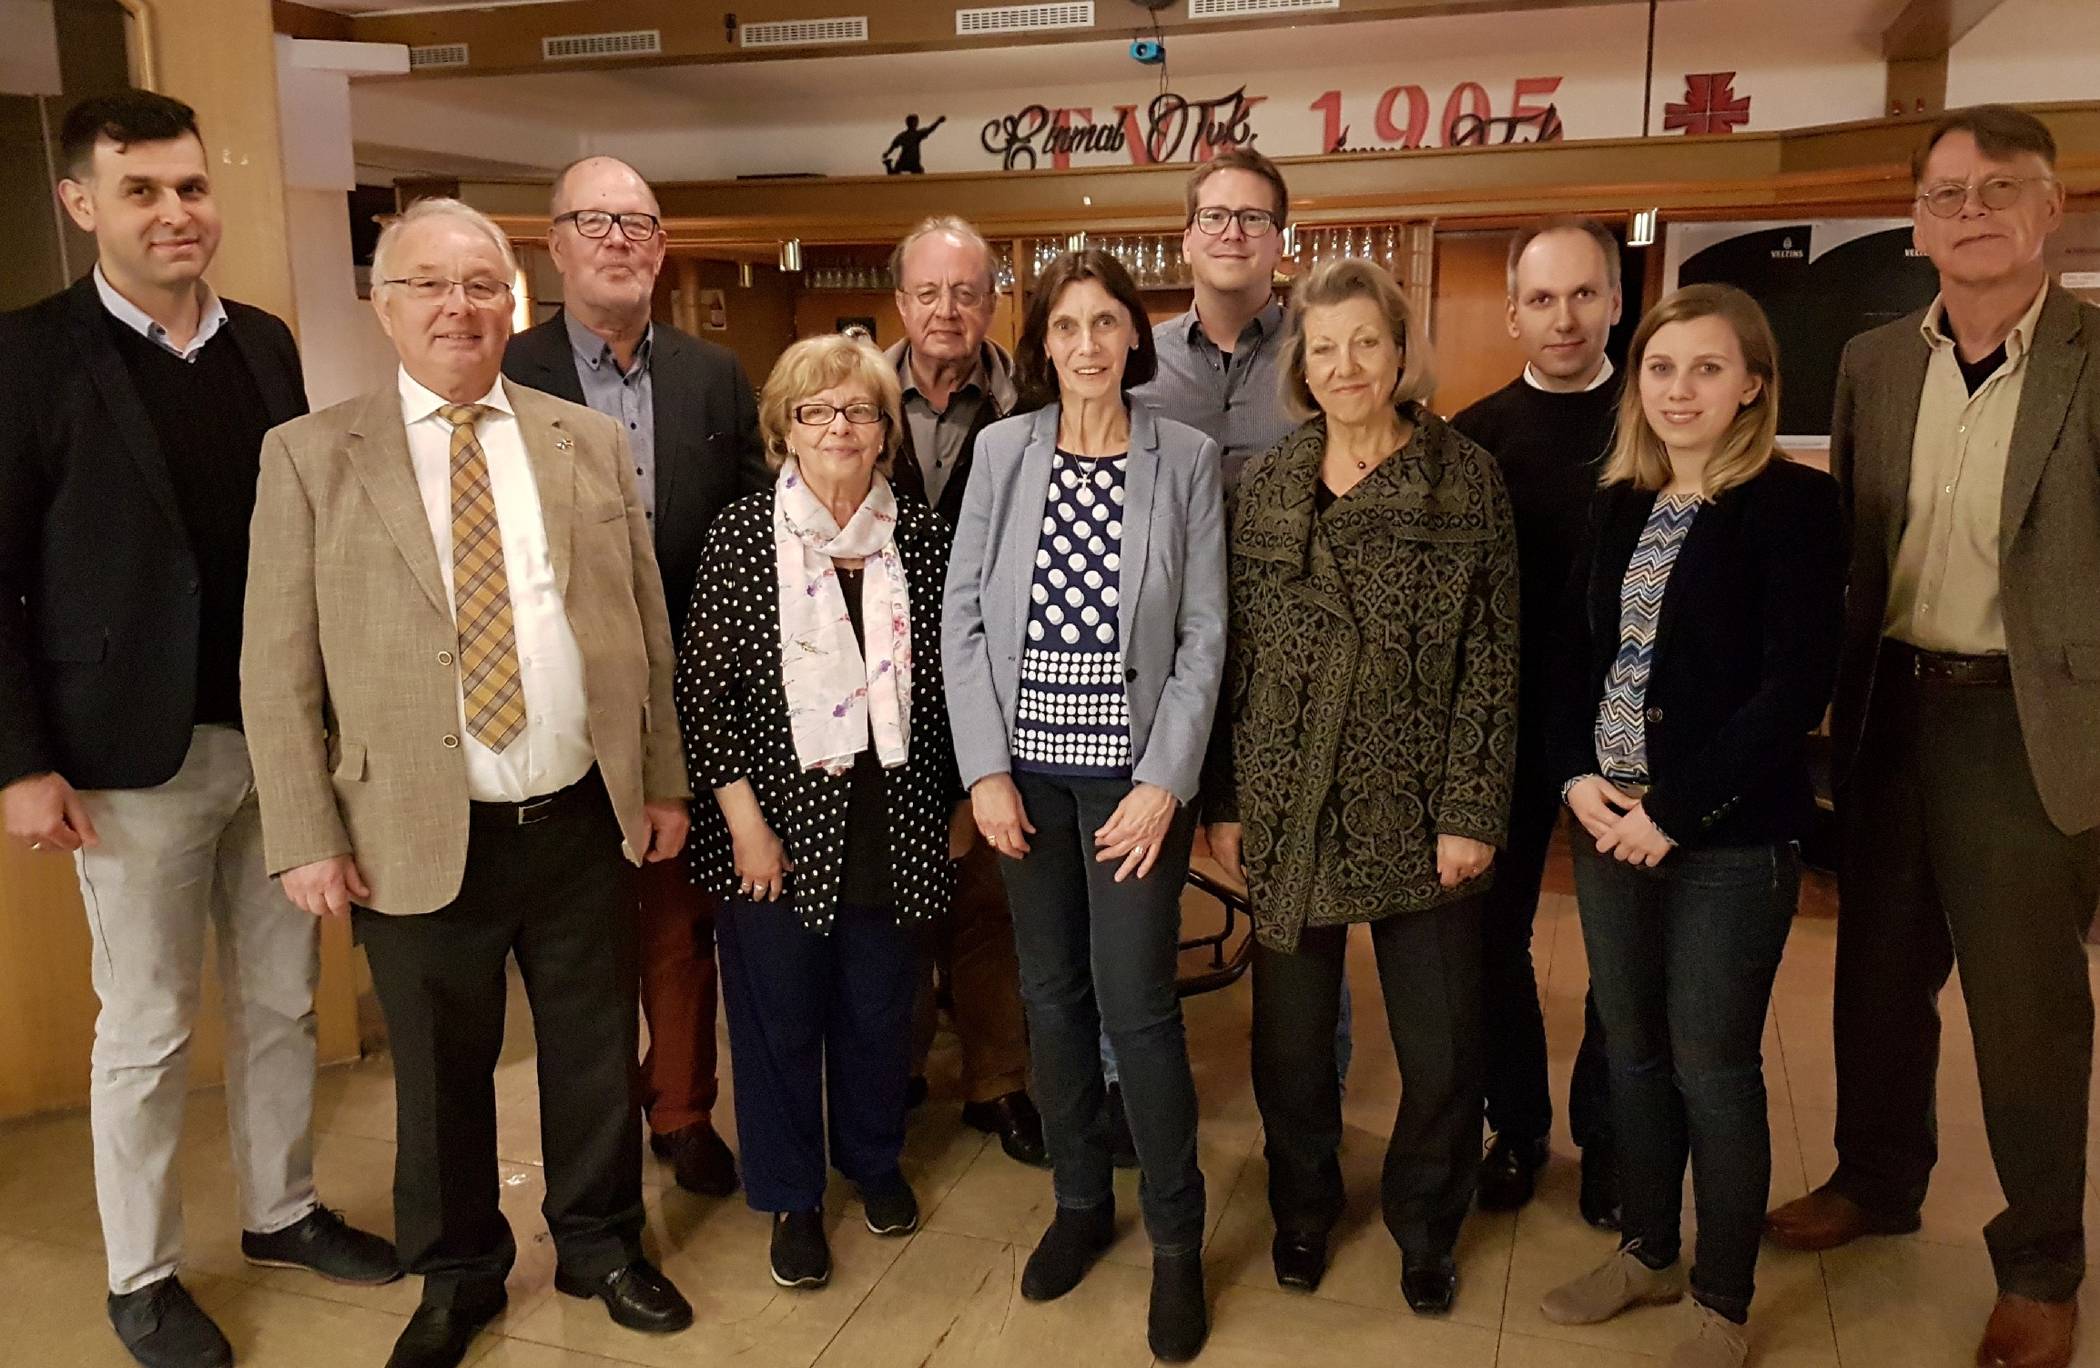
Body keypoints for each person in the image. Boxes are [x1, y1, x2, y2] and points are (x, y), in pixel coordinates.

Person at [242, 197, 695, 1368]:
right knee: (440, 1073)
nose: (459, 306)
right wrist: (303, 832)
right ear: (385, 309)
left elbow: (642, 629)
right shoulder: (308, 457)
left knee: (597, 1048)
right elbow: (276, 667)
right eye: (430, 286)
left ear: (514, 302)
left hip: (577, 815)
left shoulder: (580, 438)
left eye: (481, 285)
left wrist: (659, 782)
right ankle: (457, 1272)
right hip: (410, 824)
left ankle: (599, 1243)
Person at [0, 90, 398, 1368]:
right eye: (141, 192)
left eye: (190, 187)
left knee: (283, 998)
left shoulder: (267, 345)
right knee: (152, 1021)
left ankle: (281, 1212)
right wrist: (18, 761)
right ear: (81, 205)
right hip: (128, 755)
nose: (176, 213)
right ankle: (142, 1273)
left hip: (276, 739)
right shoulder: (28, 359)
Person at [1765, 105, 2100, 1368]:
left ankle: (2042, 1265)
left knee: (2029, 1009)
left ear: (2051, 208)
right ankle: (1878, 1180)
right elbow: (1857, 538)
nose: (1971, 211)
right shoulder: (1872, 362)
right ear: (1915, 219)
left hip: (2027, 717)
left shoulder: (2092, 357)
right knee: (1877, 977)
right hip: (1890, 705)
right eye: (1947, 191)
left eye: (1999, 188)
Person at [1537, 283, 1845, 1368]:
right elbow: (1583, 655)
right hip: (1605, 820)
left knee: (1713, 1065)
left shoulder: (1796, 506)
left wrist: (1670, 813)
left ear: (1753, 383)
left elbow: (1791, 686)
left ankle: (1721, 1298)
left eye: (1707, 368)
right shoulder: (1623, 498)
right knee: (1630, 1050)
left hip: (1723, 838)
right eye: (1662, 369)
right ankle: (1647, 1247)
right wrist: (1575, 776)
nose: (1680, 389)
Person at [1204, 258, 1517, 1316]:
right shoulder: (1272, 481)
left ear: (1400, 350)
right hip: (1290, 790)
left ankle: (1426, 1223)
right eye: (1323, 348)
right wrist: (1227, 801)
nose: (1345, 367)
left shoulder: (1461, 477)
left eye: (1366, 343)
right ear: (1301, 363)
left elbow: (1492, 653)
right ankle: (1301, 1208)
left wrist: (1473, 810)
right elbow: (1232, 652)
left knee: (1441, 1045)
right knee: (1291, 1044)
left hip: (1420, 798)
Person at [944, 249, 1225, 1362]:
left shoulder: (1187, 459)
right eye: (1068, 326)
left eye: (1108, 322)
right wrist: (984, 772)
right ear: (1044, 343)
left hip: (1131, 788)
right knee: (1050, 998)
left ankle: (1175, 1240)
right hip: (1027, 786)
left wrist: (1165, 780)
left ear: (1133, 338)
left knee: (1139, 1008)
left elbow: (1204, 633)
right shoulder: (1004, 452)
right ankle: (1077, 1205)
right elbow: (963, 617)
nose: (1089, 345)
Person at [503, 155, 767, 1200]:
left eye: (641, 224)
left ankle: (685, 1112)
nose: (620, 239)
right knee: (581, 941)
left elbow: (748, 529)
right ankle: (600, 1121)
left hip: (687, 696)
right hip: (558, 702)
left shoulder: (713, 376)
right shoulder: (508, 370)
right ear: (557, 245)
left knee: (678, 927)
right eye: (596, 221)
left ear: (662, 250)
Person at [675, 333, 960, 1290]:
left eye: (861, 411)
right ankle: (791, 1197)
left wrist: (958, 806)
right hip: (773, 827)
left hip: (897, 821)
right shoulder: (740, 535)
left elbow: (953, 688)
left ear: (886, 434)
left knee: (881, 1014)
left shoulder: (919, 537)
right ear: (783, 430)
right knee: (777, 1022)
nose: (839, 427)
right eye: (816, 410)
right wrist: (745, 824)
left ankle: (873, 1162)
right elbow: (702, 697)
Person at [1449, 218, 1624, 1224]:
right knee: (1492, 944)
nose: (1565, 318)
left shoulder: (1658, 420)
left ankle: (1609, 1139)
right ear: (1514, 312)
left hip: (1628, 730)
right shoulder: (1475, 438)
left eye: (1584, 294)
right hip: (1505, 730)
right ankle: (1515, 1128)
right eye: (1544, 299)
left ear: (1613, 302)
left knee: (1618, 952)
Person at [883, 215, 1045, 1167]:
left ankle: (999, 1082)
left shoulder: (1030, 406)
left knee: (994, 895)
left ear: (994, 302)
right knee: (901, 894)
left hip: (1001, 684)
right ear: (902, 302)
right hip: (881, 689)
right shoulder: (855, 398)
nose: (949, 311)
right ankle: (895, 1069)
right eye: (930, 292)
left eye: (968, 292)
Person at [1131, 146, 1297, 486]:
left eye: (1253, 218)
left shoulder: (1318, 354)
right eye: (1214, 216)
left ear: (1279, 246)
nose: (1232, 233)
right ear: (1187, 242)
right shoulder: (1139, 361)